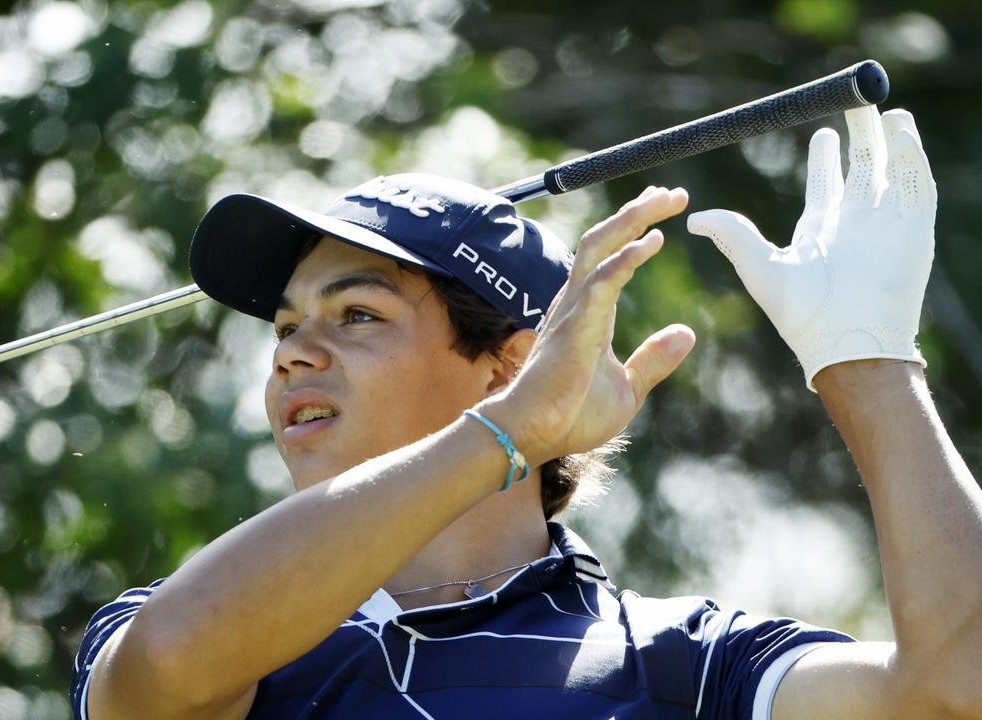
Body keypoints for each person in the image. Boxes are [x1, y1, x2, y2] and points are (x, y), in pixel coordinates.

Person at [70, 106, 982, 719]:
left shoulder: (685, 662)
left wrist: (869, 363)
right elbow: (165, 671)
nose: (292, 353)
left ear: (512, 361)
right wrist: (506, 433)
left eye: (357, 315)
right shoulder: (201, 617)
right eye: (286, 327)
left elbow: (957, 688)